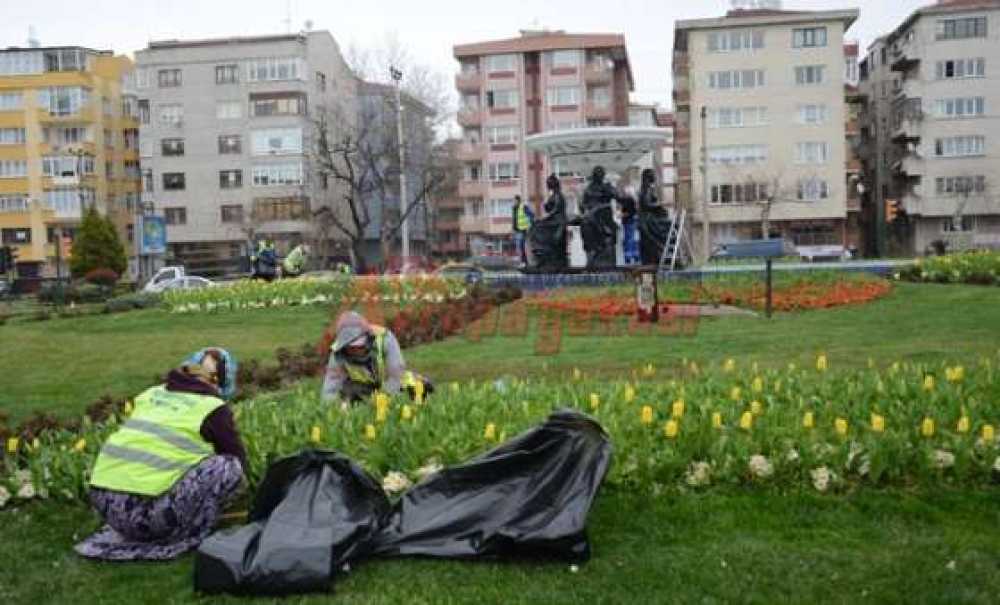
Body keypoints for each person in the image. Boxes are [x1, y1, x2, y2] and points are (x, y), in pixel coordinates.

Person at [75, 349, 245, 561]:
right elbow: (236, 457)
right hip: (147, 515)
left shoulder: (151, 394)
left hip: (106, 504)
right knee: (228, 466)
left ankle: (131, 527)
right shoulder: (212, 407)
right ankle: (187, 531)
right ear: (221, 383)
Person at [321, 311, 430, 405]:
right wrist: (337, 406)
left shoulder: (385, 339)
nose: (357, 350)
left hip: (390, 383)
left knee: (416, 384)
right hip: (363, 386)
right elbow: (329, 390)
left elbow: (397, 375)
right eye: (351, 347)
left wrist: (380, 398)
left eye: (359, 345)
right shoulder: (337, 353)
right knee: (347, 391)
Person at [529, 174, 569, 271]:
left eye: (548, 184)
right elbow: (549, 208)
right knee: (535, 226)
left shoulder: (558, 195)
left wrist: (544, 218)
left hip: (558, 221)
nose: (547, 186)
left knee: (538, 226)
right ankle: (539, 253)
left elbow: (555, 210)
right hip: (553, 220)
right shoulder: (554, 195)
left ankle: (542, 253)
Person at [511, 195, 535, 267]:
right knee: (519, 247)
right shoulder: (514, 209)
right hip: (517, 230)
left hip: (523, 229)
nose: (514, 202)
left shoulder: (523, 207)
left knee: (520, 246)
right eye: (513, 201)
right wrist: (513, 229)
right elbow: (515, 220)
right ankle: (523, 262)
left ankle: (524, 262)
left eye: (515, 201)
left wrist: (529, 225)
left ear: (518, 201)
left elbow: (531, 215)